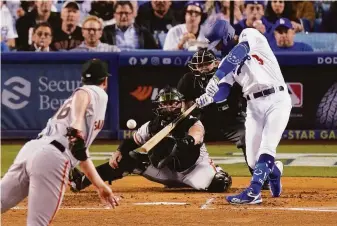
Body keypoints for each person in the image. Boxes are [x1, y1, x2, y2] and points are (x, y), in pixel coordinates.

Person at [0, 59, 119, 225]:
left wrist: (99, 185)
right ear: (105, 80)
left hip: (32, 149)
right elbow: (83, 94)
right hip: (52, 158)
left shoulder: (77, 104)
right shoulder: (96, 93)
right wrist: (77, 123)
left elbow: (80, 151)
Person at [196, 19, 292, 204]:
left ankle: (253, 192)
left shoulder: (250, 34)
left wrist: (216, 76)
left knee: (267, 147)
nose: (218, 48)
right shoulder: (225, 62)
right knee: (254, 162)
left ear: (227, 36)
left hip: (277, 99)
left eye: (219, 43)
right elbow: (223, 90)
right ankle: (276, 170)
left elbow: (240, 52)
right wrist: (208, 98)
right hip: (254, 106)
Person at [69, 87, 232, 193]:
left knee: (219, 183)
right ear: (158, 106)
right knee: (127, 158)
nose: (169, 107)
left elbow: (196, 135)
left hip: (193, 170)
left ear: (180, 104)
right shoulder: (151, 126)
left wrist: (185, 141)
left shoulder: (191, 121)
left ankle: (216, 171)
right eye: (165, 104)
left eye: (173, 103)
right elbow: (133, 142)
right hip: (166, 172)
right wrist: (119, 151)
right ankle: (81, 181)